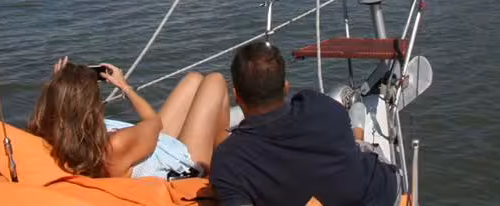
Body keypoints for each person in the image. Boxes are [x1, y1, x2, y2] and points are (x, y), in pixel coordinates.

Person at [209, 42, 400, 206]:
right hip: (379, 194)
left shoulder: (229, 160)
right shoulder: (319, 105)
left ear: (237, 96)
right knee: (357, 148)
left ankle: (358, 134)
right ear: (285, 87)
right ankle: (358, 124)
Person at [29, 57, 229, 180]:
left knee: (193, 79)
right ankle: (221, 170)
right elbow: (154, 122)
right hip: (184, 167)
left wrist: (59, 84)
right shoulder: (114, 145)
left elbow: (44, 114)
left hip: (155, 152)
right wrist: (125, 87)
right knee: (215, 81)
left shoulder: (51, 134)